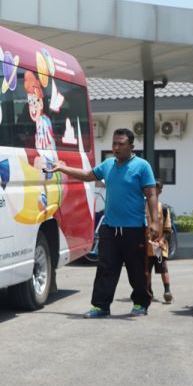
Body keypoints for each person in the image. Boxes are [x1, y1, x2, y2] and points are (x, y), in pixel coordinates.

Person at [54, 128, 159, 318]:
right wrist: (62, 167)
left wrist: (155, 222)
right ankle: (101, 306)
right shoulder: (108, 164)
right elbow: (87, 175)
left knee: (137, 270)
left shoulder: (142, 166)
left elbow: (151, 194)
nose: (116, 147)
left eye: (121, 144)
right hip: (110, 228)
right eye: (114, 143)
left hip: (134, 229)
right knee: (106, 268)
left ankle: (140, 304)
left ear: (131, 147)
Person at [146, 181, 175, 304]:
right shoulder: (142, 207)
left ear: (160, 191)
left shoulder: (163, 208)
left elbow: (168, 229)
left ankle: (167, 291)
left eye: (156, 188)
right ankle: (148, 292)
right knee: (146, 271)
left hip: (159, 246)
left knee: (163, 269)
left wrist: (162, 240)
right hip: (146, 246)